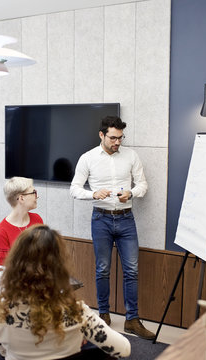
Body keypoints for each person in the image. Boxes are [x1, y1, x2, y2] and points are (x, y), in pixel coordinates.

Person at [0, 224, 131, 359]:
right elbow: (124, 349)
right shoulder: (76, 312)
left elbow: (2, 351)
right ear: (60, 266)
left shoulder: (1, 312)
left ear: (15, 264)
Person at [70, 115, 154, 340]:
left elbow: (143, 184)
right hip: (101, 219)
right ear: (102, 135)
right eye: (113, 138)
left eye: (120, 138)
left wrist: (132, 193)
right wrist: (92, 194)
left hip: (127, 219)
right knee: (102, 269)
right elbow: (74, 189)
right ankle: (104, 315)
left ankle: (132, 320)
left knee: (132, 271)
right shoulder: (87, 158)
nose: (118, 142)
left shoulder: (131, 155)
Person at [0, 176, 43, 265]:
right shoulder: (1, 231)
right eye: (33, 192)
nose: (37, 196)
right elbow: (6, 270)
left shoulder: (37, 219)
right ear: (21, 198)